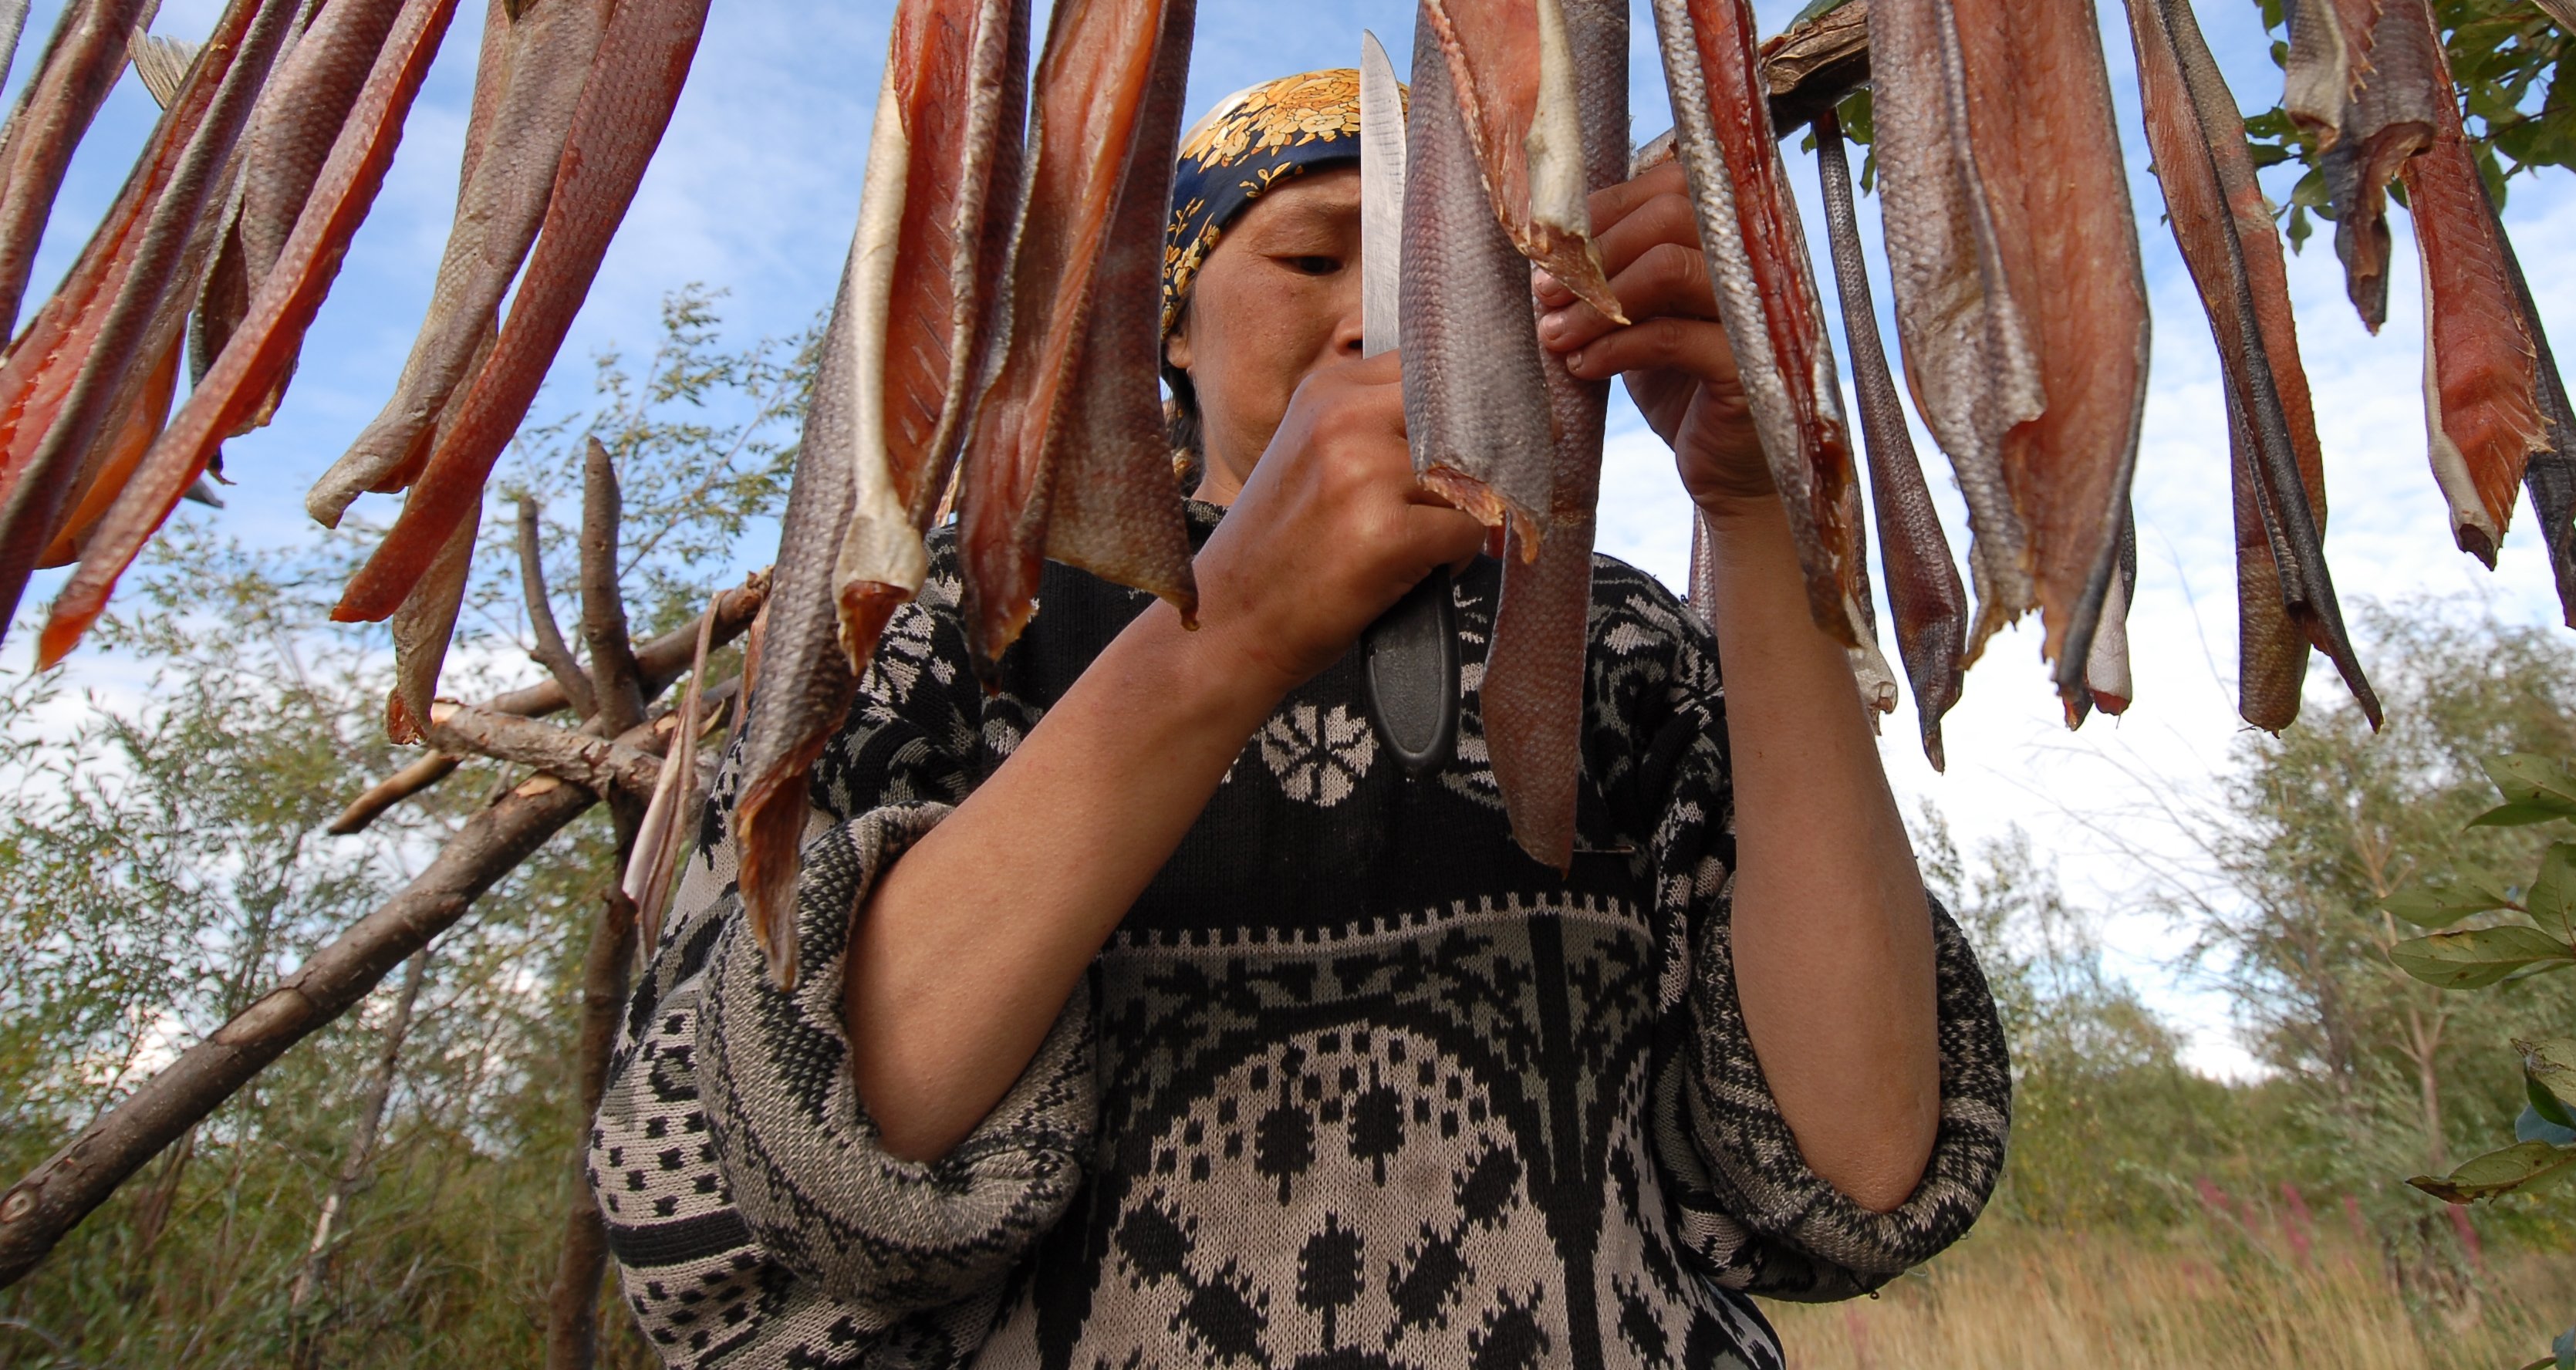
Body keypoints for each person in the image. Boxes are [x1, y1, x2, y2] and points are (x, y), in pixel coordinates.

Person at [593, 68, 2009, 1370]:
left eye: (1438, 276)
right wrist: (1238, 628)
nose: (1372, 315)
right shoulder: (963, 616)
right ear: (1174, 326)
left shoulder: (1621, 642)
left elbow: (1865, 1162)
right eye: (1313, 256)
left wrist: (1758, 515)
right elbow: (729, 1174)